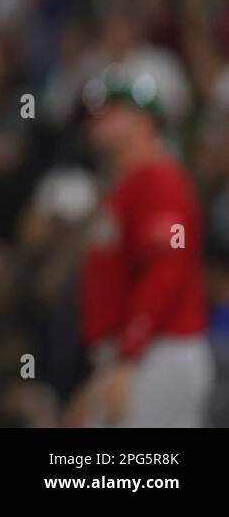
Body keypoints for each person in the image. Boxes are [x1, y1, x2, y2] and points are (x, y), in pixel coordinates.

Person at [70, 68, 213, 427]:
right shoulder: (123, 186)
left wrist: (128, 357)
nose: (98, 120)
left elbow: (167, 270)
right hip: (131, 353)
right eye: (95, 113)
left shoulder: (160, 180)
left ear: (146, 119)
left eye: (113, 109)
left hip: (159, 349)